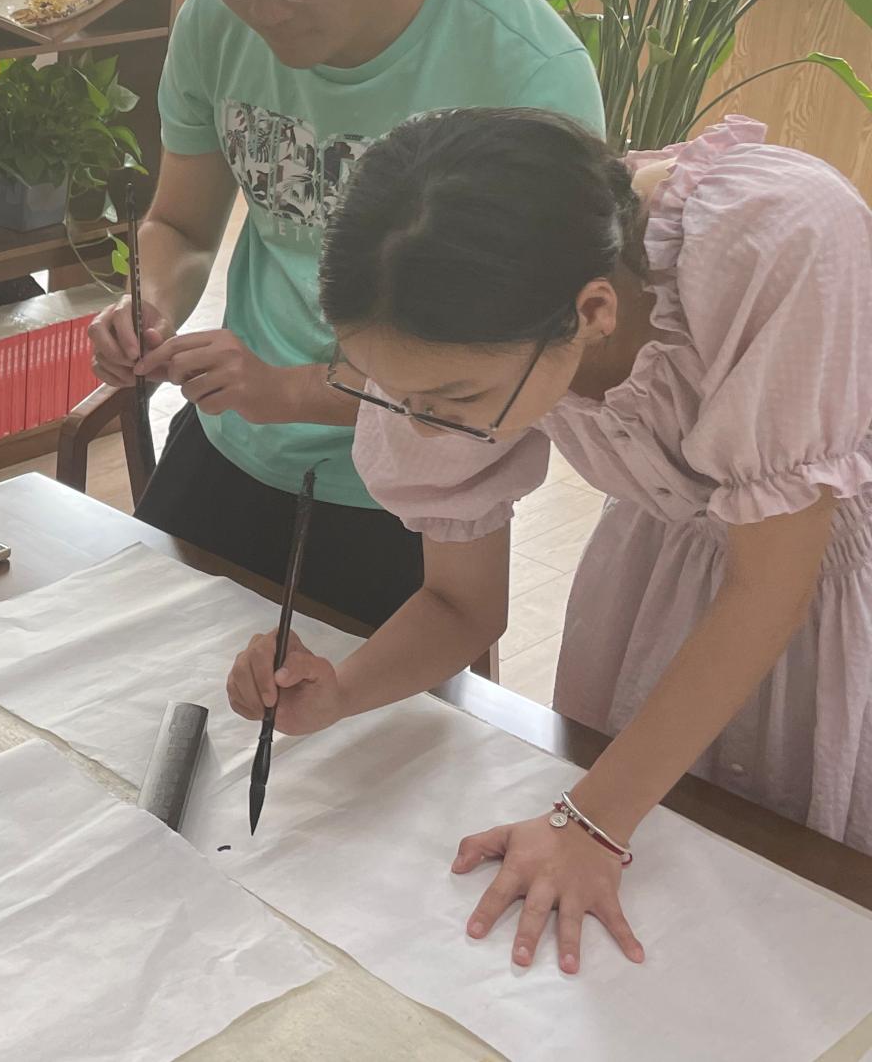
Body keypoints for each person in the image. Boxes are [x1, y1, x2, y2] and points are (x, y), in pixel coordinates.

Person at [228, 107, 872, 972]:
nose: (420, 428)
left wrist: (593, 821)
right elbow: (461, 603)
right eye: (397, 394)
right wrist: (342, 690)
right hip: (670, 572)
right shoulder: (450, 329)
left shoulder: (774, 241)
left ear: (593, 310)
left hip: (832, 585)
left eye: (454, 401)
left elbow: (771, 589)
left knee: (805, 918)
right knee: (675, 905)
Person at [87, 0, 605, 628]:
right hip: (233, 441)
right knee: (133, 674)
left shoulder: (524, 73)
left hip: (411, 485)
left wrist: (292, 389)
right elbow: (180, 223)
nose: (264, 4)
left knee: (360, 714)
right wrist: (151, 303)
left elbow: (512, 354)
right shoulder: (216, 20)